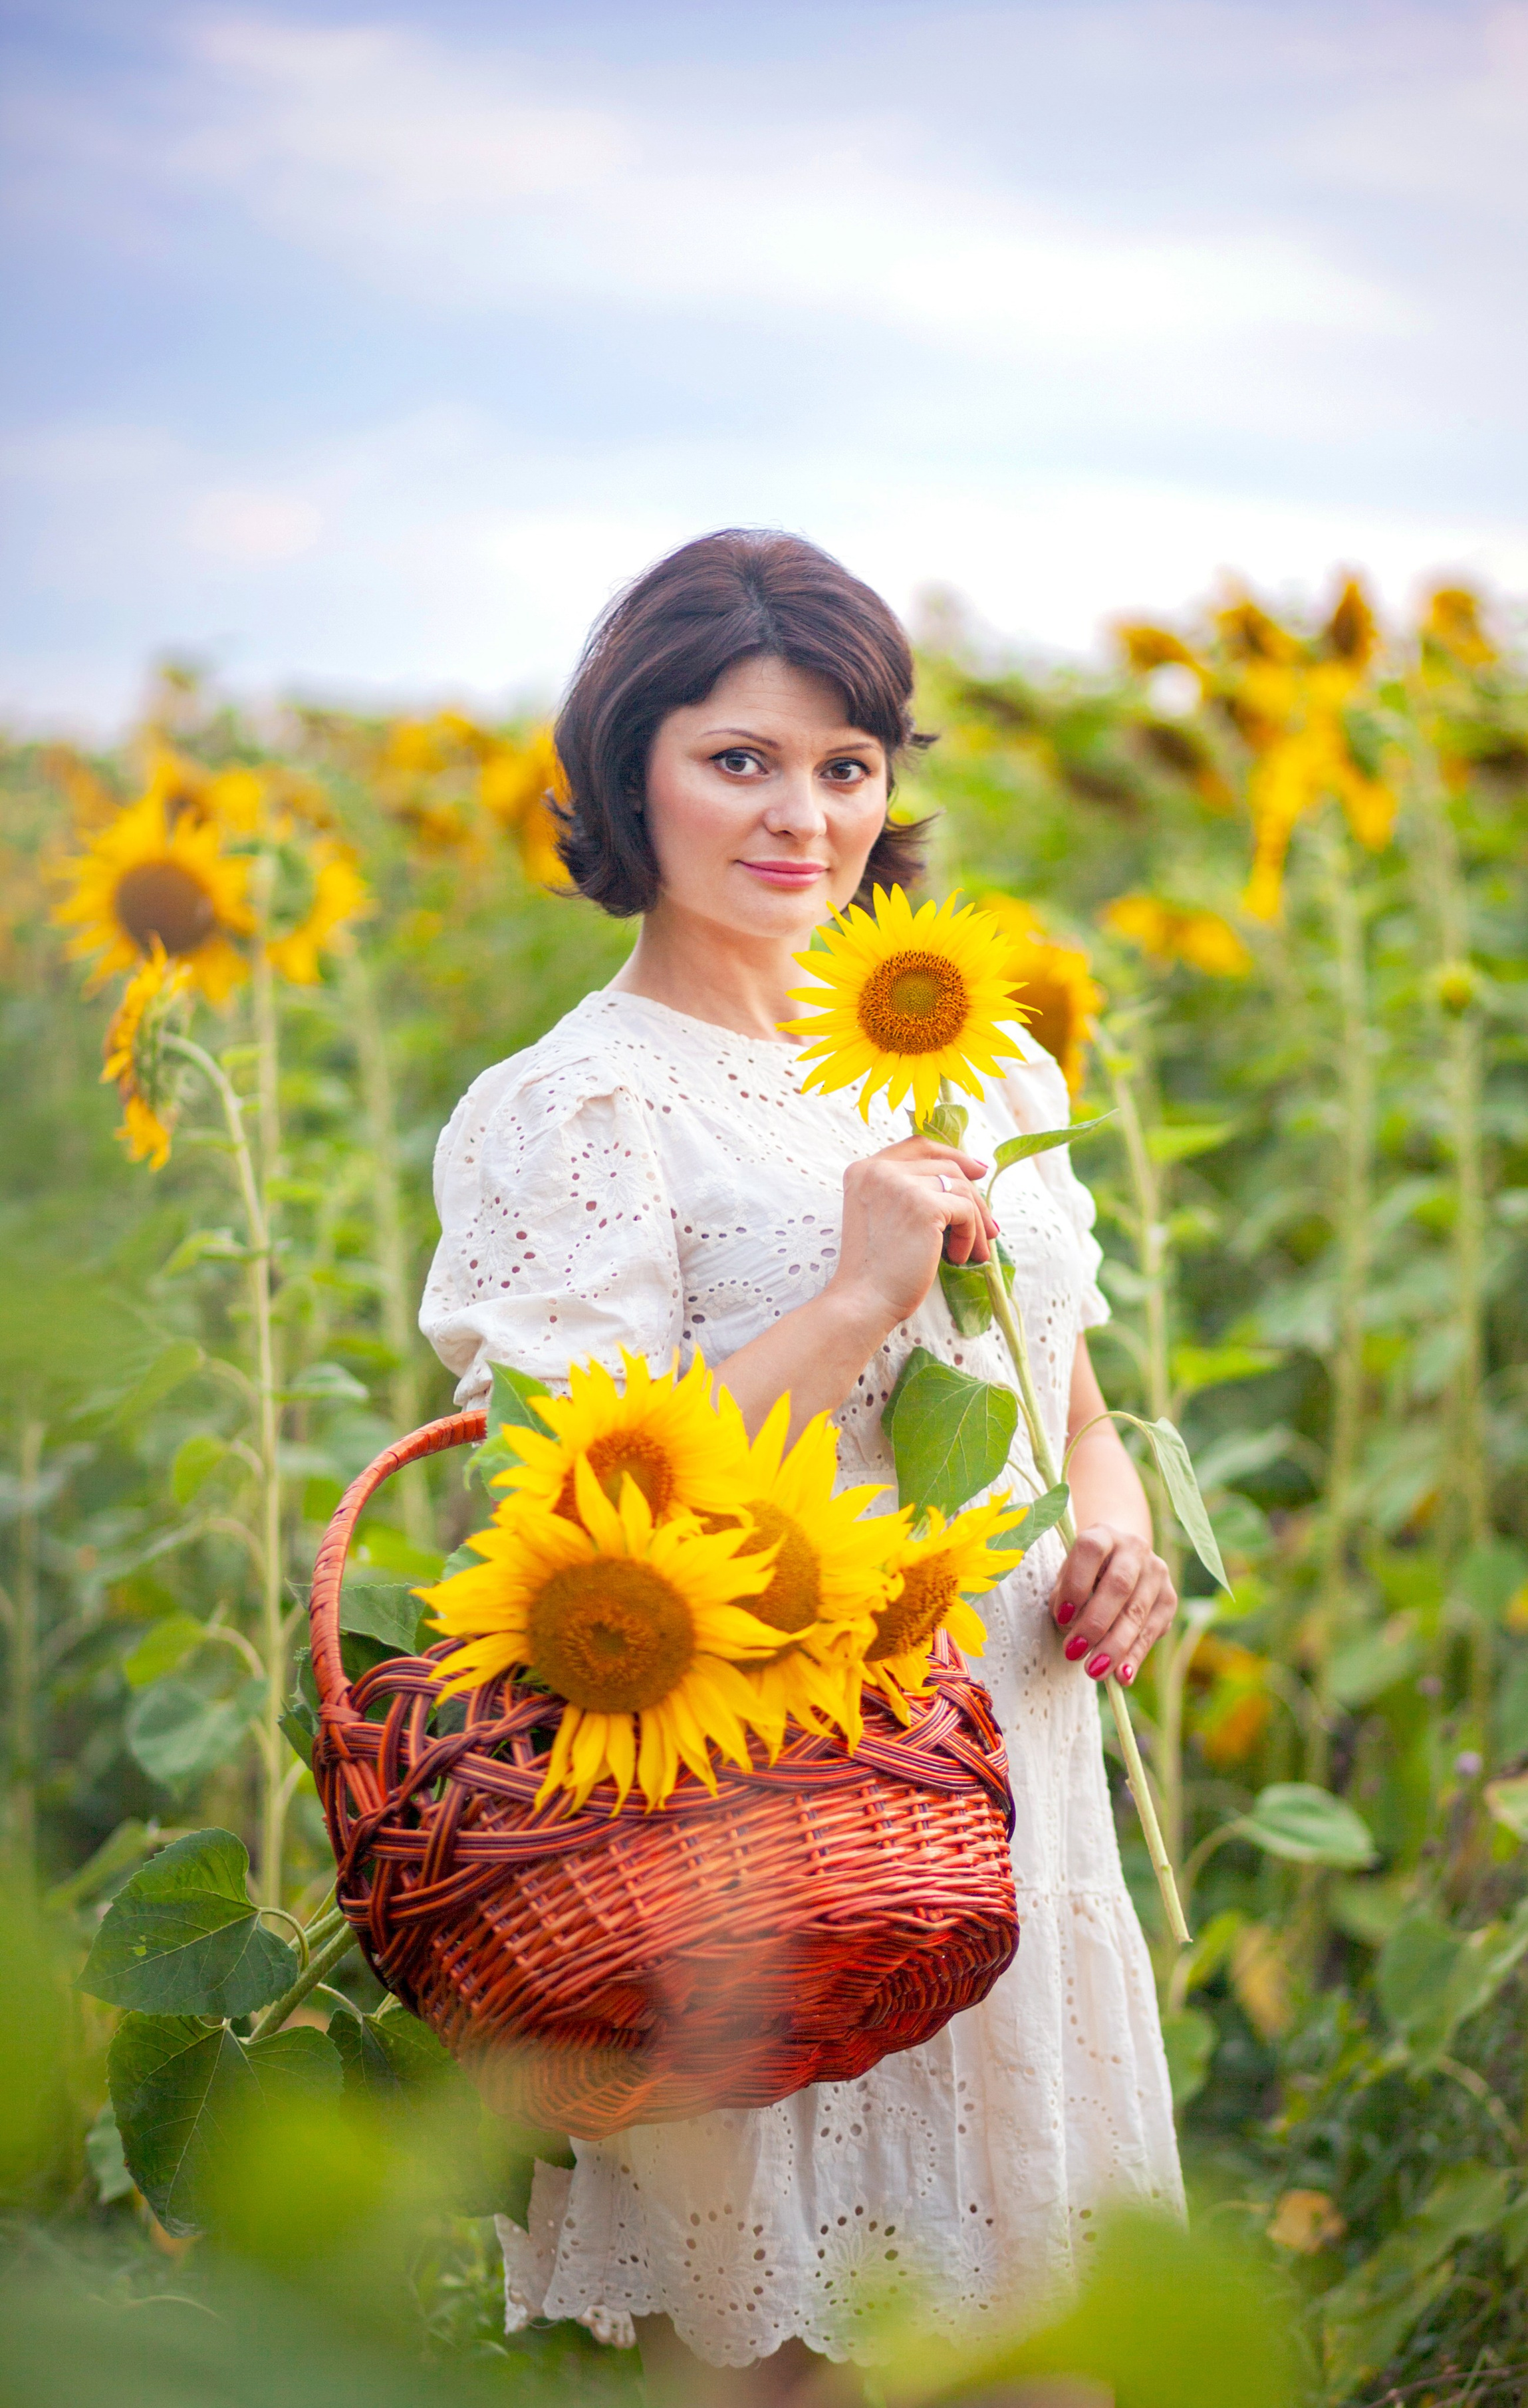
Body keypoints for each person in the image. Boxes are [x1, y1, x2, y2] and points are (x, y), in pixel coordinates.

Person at [420, 529, 1182, 2403]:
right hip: (759, 1814)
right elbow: (579, 1524)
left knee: (1045, 2351)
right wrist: (854, 1295)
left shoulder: (974, 1064)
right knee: (791, 2357)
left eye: (846, 766)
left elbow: (1067, 1398)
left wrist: (1117, 1535)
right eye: (738, 759)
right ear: (629, 773)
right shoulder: (579, 1107)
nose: (804, 817)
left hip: (1013, 1782)